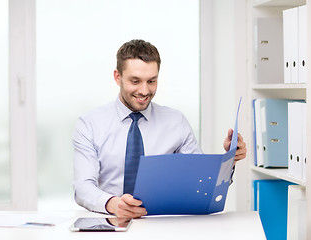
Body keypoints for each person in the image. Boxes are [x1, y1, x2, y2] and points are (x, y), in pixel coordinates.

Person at [73, 39, 247, 219]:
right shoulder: (90, 124)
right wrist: (113, 204)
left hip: (163, 223)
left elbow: (201, 183)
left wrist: (229, 160)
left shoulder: (175, 121)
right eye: (135, 81)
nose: (144, 90)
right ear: (118, 77)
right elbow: (82, 187)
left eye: (151, 81)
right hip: (112, 220)